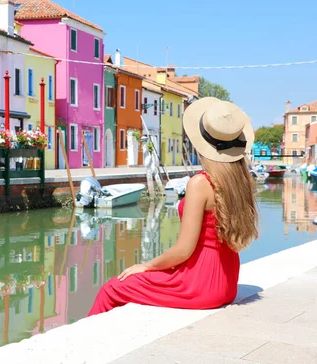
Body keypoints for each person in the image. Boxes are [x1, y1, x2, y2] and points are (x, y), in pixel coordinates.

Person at [88, 97, 259, 316]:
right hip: (226, 282)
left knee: (112, 288)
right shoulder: (240, 182)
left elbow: (183, 251)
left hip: (199, 284)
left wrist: (147, 266)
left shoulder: (201, 183)